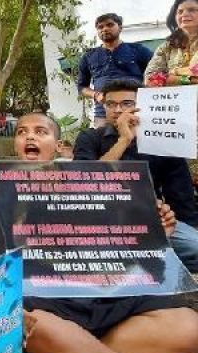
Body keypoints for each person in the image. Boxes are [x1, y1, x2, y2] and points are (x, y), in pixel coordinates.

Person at [0, 111, 198, 353]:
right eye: (22, 132)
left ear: (58, 146)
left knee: (191, 328)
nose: (30, 135)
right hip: (47, 303)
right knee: (33, 327)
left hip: (112, 295)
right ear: (16, 144)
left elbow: (135, 251)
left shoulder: (99, 184)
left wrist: (159, 234)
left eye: (40, 131)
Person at [72, 78, 198, 271]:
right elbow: (84, 180)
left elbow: (180, 193)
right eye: (111, 104)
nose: (118, 110)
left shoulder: (162, 140)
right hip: (102, 223)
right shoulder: (89, 138)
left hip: (153, 221)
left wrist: (187, 228)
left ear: (143, 106)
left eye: (127, 104)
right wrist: (123, 139)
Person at [77, 13, 152, 127]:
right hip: (103, 113)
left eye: (110, 25)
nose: (105, 29)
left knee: (137, 143)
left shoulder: (139, 50)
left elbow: (155, 74)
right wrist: (96, 95)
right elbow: (82, 87)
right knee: (105, 143)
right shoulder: (88, 56)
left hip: (135, 110)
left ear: (120, 28)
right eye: (100, 27)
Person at [144, 0, 198, 87]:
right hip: (176, 99)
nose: (184, 14)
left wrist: (173, 73)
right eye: (179, 12)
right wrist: (189, 79)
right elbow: (150, 80)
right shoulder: (166, 47)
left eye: (192, 10)